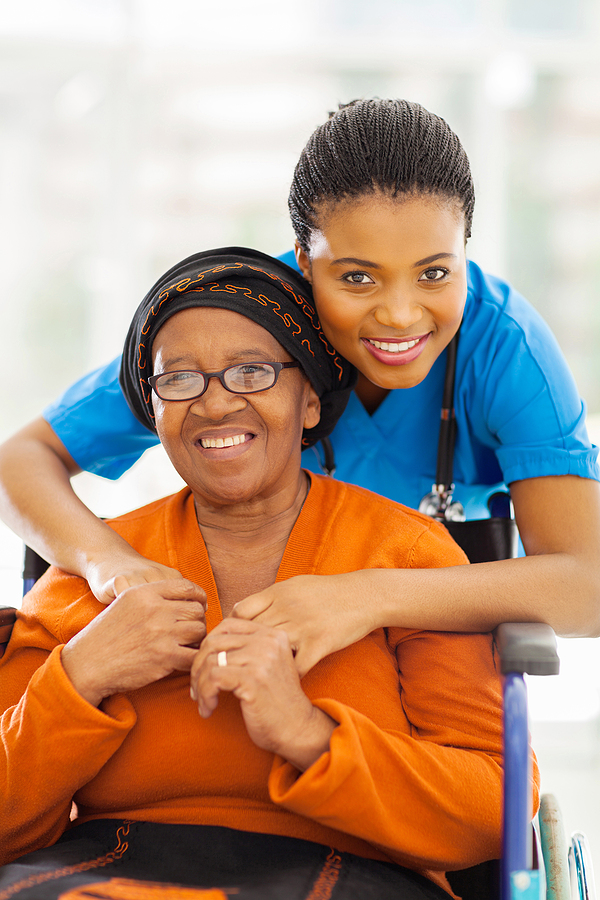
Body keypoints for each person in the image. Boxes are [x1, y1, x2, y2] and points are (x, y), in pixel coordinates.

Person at [0, 99, 598, 678]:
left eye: (434, 273)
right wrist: (109, 562)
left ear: (467, 250)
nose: (399, 314)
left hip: (421, 690)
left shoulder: (503, 347)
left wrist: (368, 596)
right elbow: (20, 461)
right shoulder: (243, 318)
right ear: (303, 262)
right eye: (357, 277)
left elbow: (588, 586)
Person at [0, 248, 511, 900]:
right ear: (155, 415)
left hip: (352, 873)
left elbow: (491, 812)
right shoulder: (93, 575)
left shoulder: (408, 557)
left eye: (252, 372)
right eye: (179, 380)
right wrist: (79, 679)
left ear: (309, 403)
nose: (214, 405)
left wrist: (305, 734)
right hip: (106, 875)